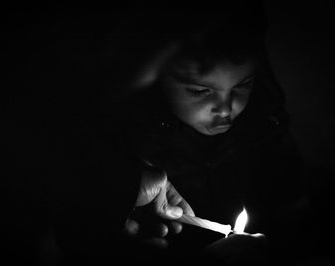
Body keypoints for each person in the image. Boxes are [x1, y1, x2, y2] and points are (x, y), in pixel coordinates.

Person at [92, 2, 312, 265]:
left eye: (243, 84)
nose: (226, 108)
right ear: (156, 77)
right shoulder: (129, 145)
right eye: (200, 91)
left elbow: (292, 209)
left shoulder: (265, 129)